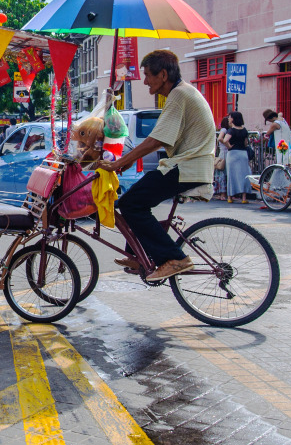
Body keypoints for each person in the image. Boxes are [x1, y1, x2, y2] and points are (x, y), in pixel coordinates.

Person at [99, 50, 215, 280]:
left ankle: (175, 259)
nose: (145, 81)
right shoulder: (181, 93)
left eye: (148, 75)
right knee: (134, 199)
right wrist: (123, 162)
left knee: (131, 204)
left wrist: (119, 163)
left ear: (163, 74)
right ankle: (137, 254)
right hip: (186, 164)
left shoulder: (179, 95)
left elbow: (157, 140)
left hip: (187, 166)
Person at [222, 111, 250, 204]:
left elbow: (225, 140)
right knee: (244, 175)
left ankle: (230, 197)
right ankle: (244, 198)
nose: (229, 119)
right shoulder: (244, 130)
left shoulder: (231, 130)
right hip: (243, 153)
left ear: (233, 119)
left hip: (233, 154)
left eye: (230, 117)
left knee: (231, 175)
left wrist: (229, 146)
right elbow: (246, 143)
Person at [213, 116, 229, 201]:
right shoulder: (225, 130)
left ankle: (222, 193)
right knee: (223, 173)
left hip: (223, 153)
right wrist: (227, 145)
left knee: (222, 174)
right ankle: (224, 194)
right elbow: (220, 138)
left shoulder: (225, 130)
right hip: (225, 153)